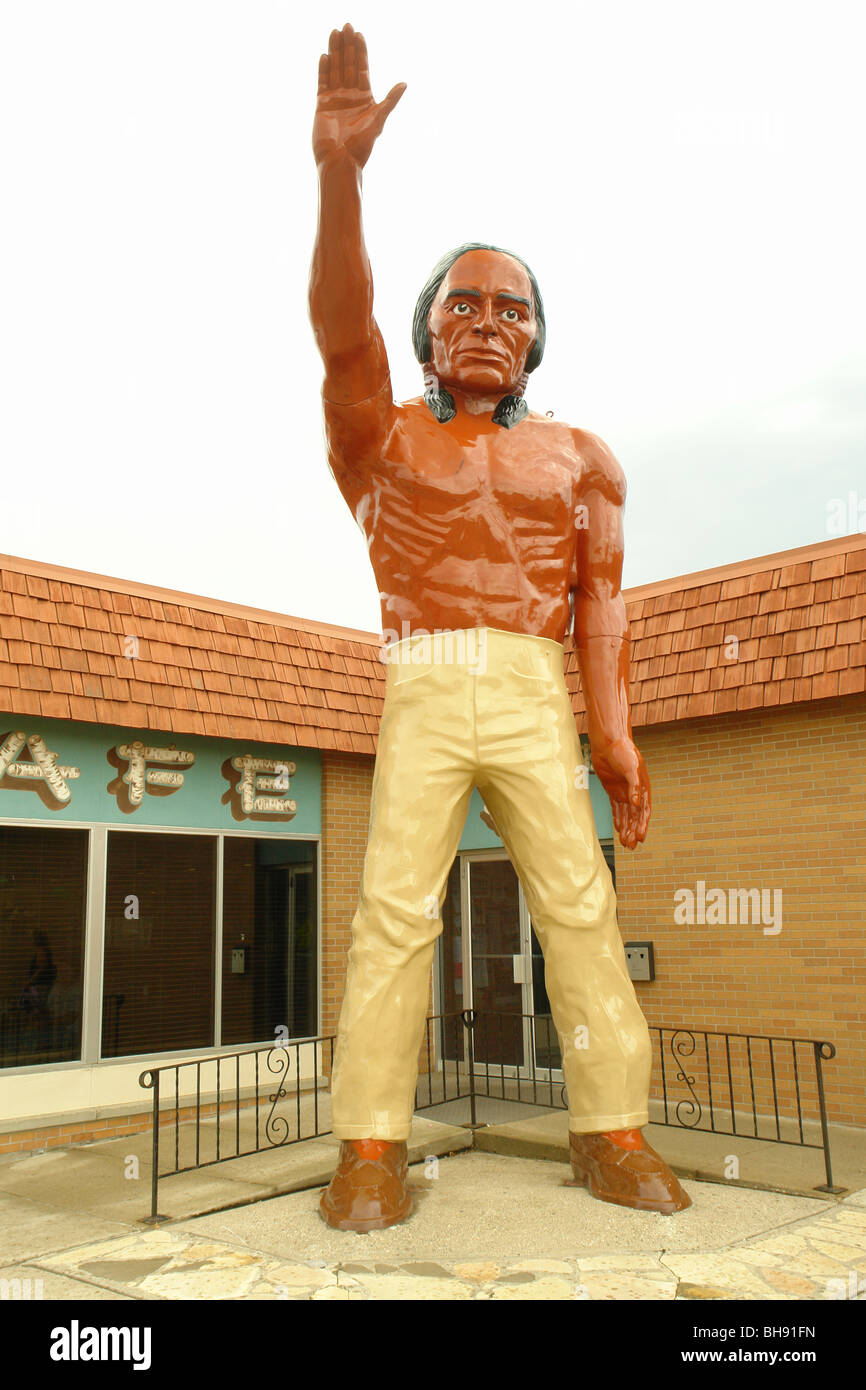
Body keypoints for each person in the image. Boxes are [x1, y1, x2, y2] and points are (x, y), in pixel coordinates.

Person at [309, 23, 690, 1230]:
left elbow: (601, 602)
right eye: (461, 304)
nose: (485, 320)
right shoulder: (383, 435)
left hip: (533, 687)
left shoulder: (581, 457)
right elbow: (336, 328)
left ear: (534, 336)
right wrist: (338, 179)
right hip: (421, 675)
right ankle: (370, 1143)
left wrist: (613, 733)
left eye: (510, 307)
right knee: (391, 911)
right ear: (427, 329)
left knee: (578, 904)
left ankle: (608, 1129)